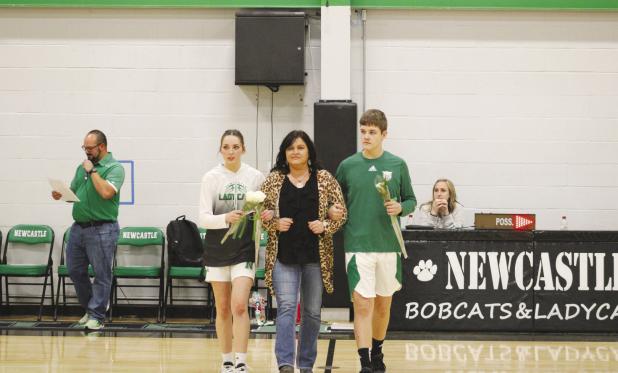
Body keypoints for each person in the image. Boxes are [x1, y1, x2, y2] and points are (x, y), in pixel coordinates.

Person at [335, 109, 416, 373]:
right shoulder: (347, 166)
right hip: (358, 245)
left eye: (372, 132)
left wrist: (400, 207)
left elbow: (411, 200)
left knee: (382, 305)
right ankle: (365, 362)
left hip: (389, 246)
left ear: (384, 134)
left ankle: (378, 351)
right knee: (362, 304)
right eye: (363, 131)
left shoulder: (398, 164)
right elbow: (334, 203)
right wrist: (332, 212)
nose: (366, 136)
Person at [261, 130, 347, 373]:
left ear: (309, 151)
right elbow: (260, 213)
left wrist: (326, 225)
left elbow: (342, 214)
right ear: (284, 153)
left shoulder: (325, 179)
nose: (295, 152)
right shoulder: (273, 179)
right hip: (283, 256)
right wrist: (273, 222)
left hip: (315, 257)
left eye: (300, 147)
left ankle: (306, 364)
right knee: (287, 307)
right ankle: (286, 363)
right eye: (290, 148)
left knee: (311, 313)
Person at [198, 129, 272, 373]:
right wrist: (226, 218)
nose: (231, 151)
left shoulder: (255, 176)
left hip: (244, 249)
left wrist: (264, 215)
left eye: (235, 147)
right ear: (220, 150)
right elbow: (203, 218)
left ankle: (241, 361)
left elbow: (264, 211)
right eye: (226, 147)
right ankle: (226, 360)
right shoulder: (211, 177)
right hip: (217, 249)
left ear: (243, 149)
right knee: (222, 308)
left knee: (239, 305)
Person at [51, 129, 125, 330]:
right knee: (74, 270)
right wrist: (62, 194)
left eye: (90, 148)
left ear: (102, 147)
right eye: (84, 147)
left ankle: (97, 316)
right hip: (78, 228)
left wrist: (92, 171)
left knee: (102, 273)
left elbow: (106, 192)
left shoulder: (114, 168)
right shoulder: (81, 167)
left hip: (102, 229)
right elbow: (73, 193)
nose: (86, 151)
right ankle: (90, 309)